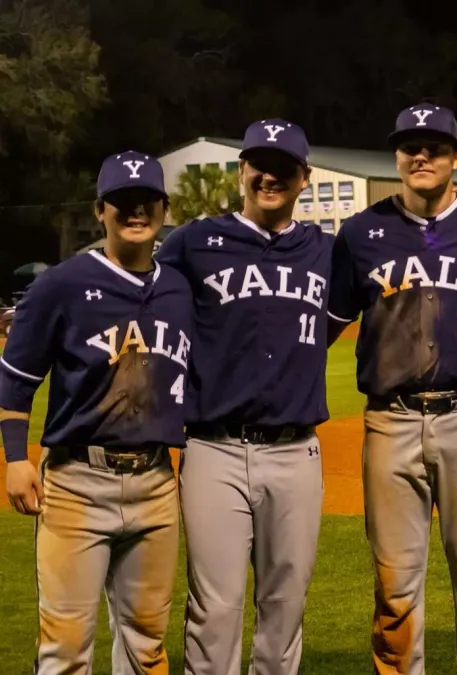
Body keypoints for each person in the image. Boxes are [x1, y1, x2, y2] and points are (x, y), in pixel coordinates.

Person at [327, 103, 457, 674]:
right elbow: (329, 321)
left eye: (434, 147)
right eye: (410, 146)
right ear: (396, 156)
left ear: (456, 157)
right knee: (394, 585)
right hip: (390, 422)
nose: (421, 156)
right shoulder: (360, 233)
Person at [1, 152, 192, 673]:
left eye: (146, 201)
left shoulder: (179, 288)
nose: (136, 212)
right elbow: (16, 377)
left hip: (156, 483)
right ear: (100, 210)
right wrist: (15, 458)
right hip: (76, 484)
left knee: (146, 646)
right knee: (64, 650)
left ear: (163, 208)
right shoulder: (60, 285)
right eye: (122, 201)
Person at [155, 119, 331, 675]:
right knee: (215, 610)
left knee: (286, 605)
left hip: (296, 451)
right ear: (241, 171)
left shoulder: (325, 250)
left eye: (283, 168)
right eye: (259, 166)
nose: (269, 177)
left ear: (304, 178)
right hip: (214, 449)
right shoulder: (192, 243)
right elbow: (141, 299)